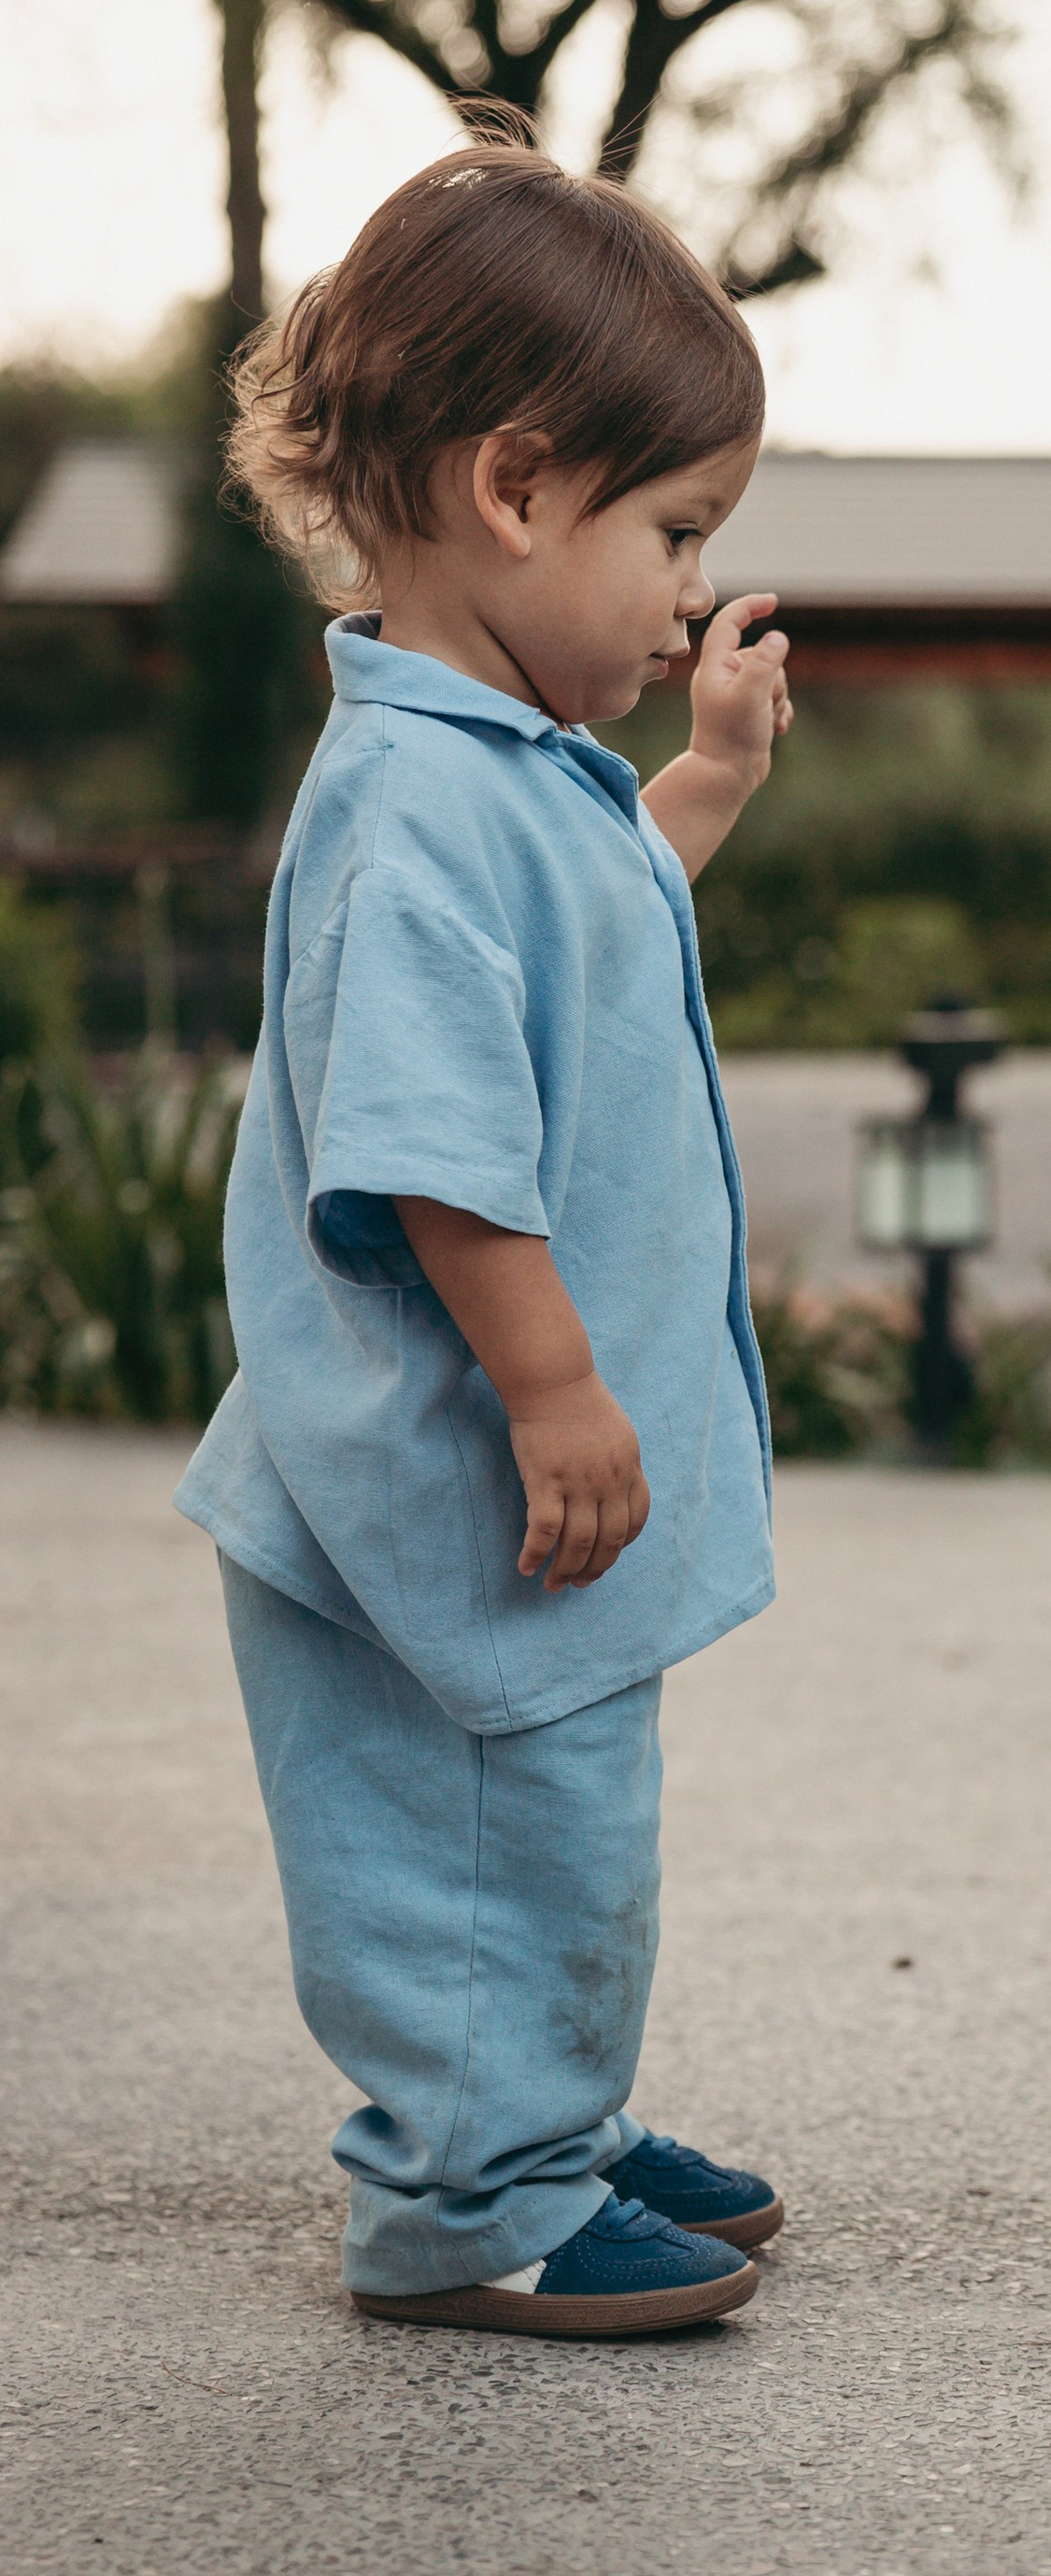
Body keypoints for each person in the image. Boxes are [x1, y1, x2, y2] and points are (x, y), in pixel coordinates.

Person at [177, 113, 794, 2338]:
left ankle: (548, 2117)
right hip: (429, 1482)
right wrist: (553, 1386)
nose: (683, 589)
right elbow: (440, 1145)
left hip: (498, 1484)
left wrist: (700, 783)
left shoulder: (505, 776)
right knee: (453, 1835)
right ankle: (464, 2199)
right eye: (672, 533)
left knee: (549, 1816)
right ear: (517, 491)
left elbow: (596, 947)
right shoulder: (410, 810)